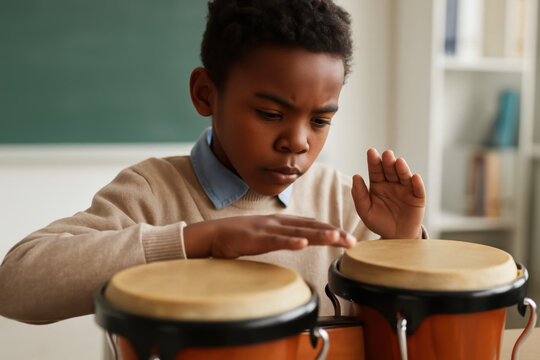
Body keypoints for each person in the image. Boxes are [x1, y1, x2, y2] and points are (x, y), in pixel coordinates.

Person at [0, 0, 426, 324]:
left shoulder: (347, 205)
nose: (296, 142)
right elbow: (15, 284)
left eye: (319, 120)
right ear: (206, 94)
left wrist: (404, 244)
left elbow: (409, 335)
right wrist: (198, 240)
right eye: (270, 115)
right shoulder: (151, 192)